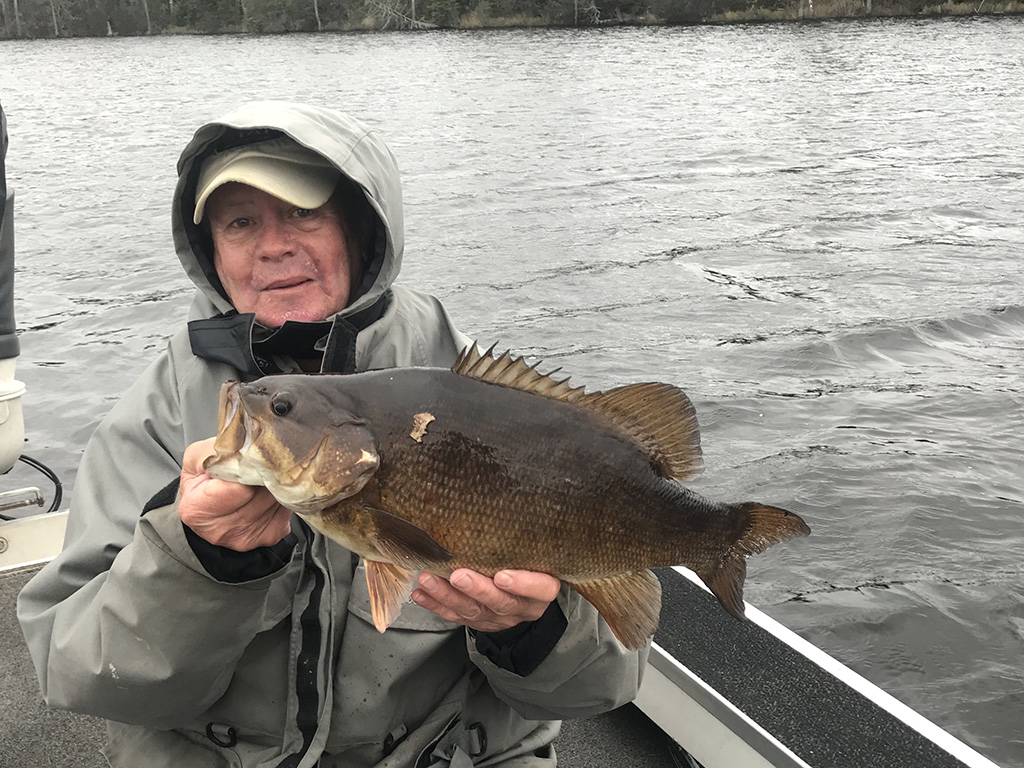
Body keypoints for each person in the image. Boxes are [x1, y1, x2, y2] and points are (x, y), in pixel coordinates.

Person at [17, 101, 648, 768]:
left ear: (359, 226)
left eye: (302, 212)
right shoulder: (158, 413)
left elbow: (600, 689)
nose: (273, 245)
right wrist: (198, 564)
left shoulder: (482, 396)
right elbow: (79, 675)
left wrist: (536, 629)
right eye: (239, 223)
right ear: (212, 252)